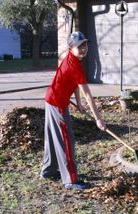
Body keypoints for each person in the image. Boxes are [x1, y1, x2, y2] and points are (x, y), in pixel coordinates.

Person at [40, 31, 107, 191]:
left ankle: (48, 171)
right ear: (71, 47)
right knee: (66, 140)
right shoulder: (75, 65)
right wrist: (98, 119)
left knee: (53, 137)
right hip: (57, 103)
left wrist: (78, 103)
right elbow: (88, 95)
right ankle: (70, 179)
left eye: (85, 45)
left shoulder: (72, 59)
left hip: (51, 99)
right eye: (79, 46)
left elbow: (74, 84)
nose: (83, 49)